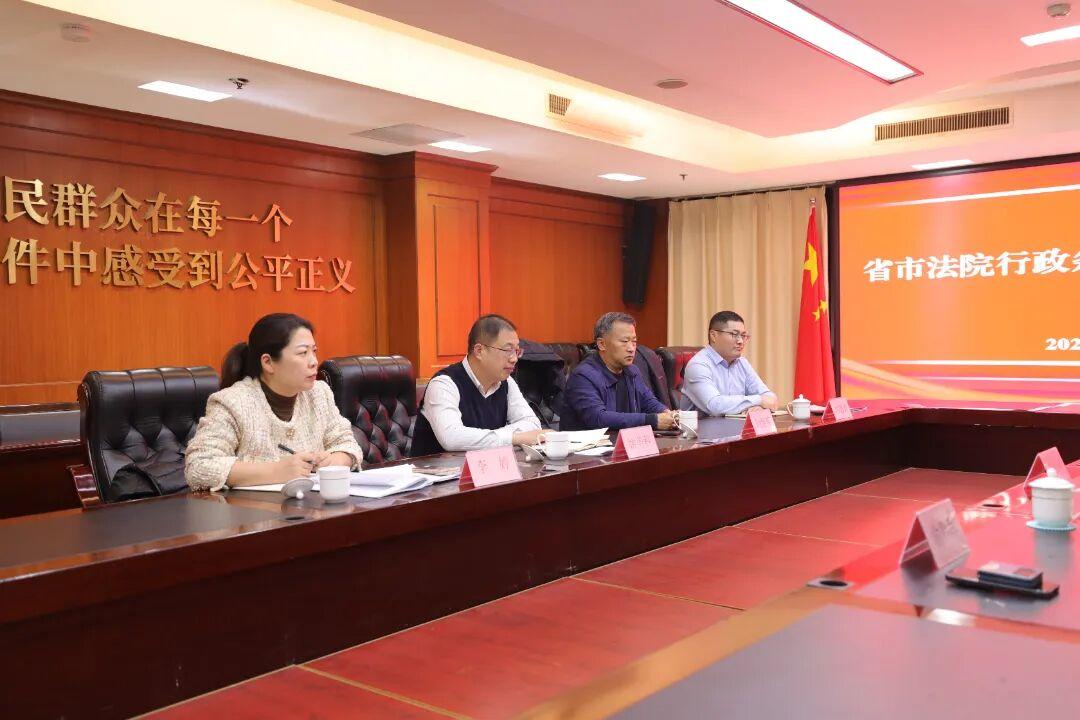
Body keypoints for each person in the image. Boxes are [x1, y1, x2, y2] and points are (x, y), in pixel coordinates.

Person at [185, 313, 362, 491]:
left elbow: (348, 444)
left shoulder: (319, 393)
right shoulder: (232, 402)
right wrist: (276, 471)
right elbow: (199, 467)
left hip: (313, 504)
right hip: (250, 507)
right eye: (303, 353)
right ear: (268, 362)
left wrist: (334, 461)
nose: (314, 362)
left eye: (314, 351)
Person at [409, 314, 546, 456]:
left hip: (485, 467)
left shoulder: (506, 382)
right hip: (436, 469)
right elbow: (452, 438)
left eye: (517, 351)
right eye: (507, 350)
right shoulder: (444, 384)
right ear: (479, 351)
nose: (514, 359)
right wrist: (514, 438)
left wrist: (499, 437)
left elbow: (532, 424)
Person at [560, 312, 675, 431]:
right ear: (602, 344)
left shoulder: (632, 371)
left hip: (624, 440)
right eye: (624, 341)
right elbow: (598, 418)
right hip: (589, 442)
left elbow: (648, 402)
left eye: (634, 342)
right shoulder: (583, 376)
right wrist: (651, 420)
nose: (631, 348)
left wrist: (668, 414)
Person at [680, 310, 777, 416]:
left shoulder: (742, 363)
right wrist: (759, 400)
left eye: (743, 335)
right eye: (734, 334)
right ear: (713, 336)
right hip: (703, 426)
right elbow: (714, 406)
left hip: (736, 425)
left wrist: (758, 407)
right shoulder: (698, 365)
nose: (740, 341)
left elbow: (771, 398)